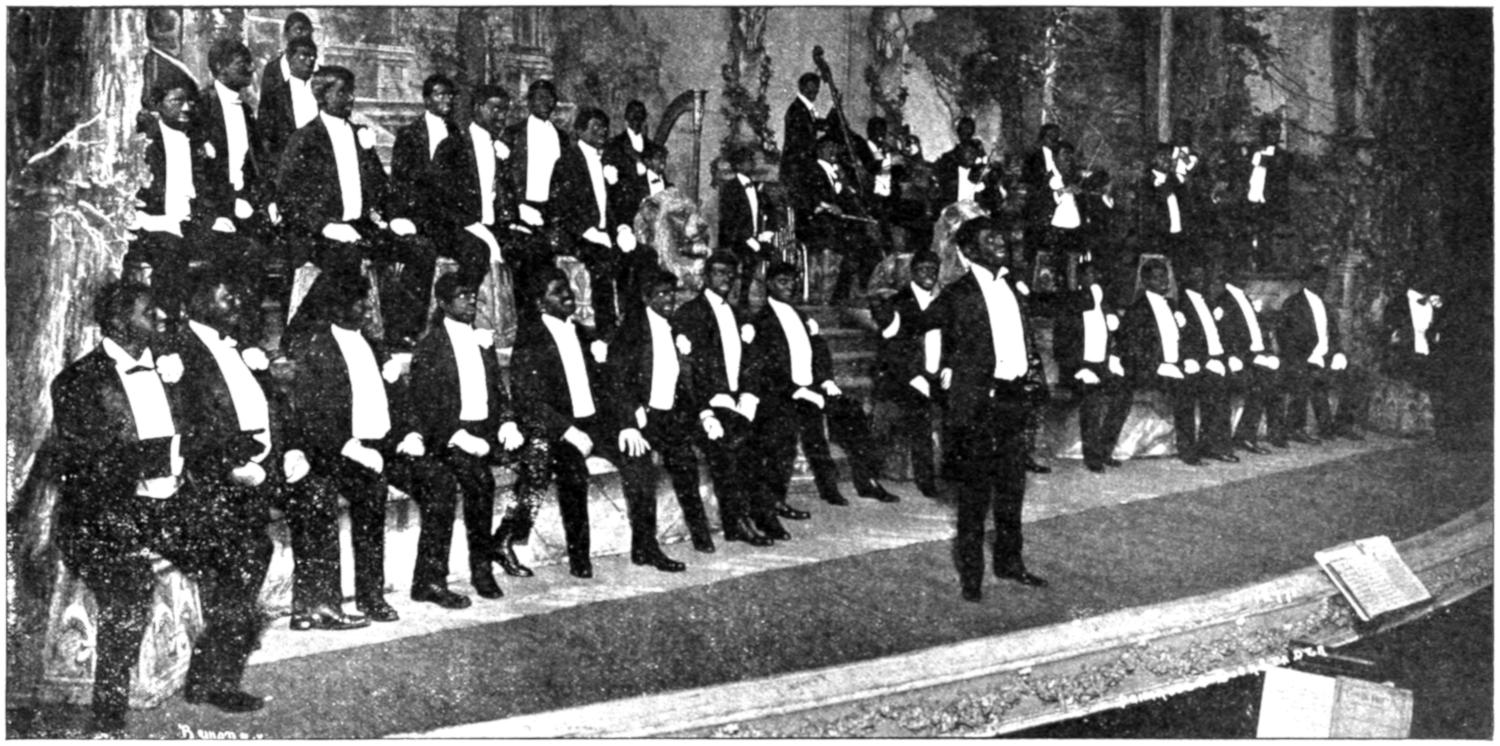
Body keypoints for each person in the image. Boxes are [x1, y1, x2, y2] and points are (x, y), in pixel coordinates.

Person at [49, 282, 270, 733]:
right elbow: (91, 465)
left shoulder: (173, 368)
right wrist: (170, 453)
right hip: (105, 513)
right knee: (128, 584)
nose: (162, 318)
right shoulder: (77, 381)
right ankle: (108, 717)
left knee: (249, 551)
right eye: (149, 312)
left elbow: (197, 435)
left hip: (167, 507)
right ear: (117, 322)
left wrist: (230, 451)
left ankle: (213, 678)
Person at [282, 268, 432, 625]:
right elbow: (313, 414)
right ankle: (371, 594)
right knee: (371, 490)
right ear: (336, 306)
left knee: (436, 480)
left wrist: (410, 433)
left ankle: (429, 581)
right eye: (358, 303)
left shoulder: (374, 344)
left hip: (386, 446)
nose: (366, 309)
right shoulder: (316, 347)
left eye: (366, 302)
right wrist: (350, 448)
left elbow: (399, 398)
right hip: (341, 450)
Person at [403, 274, 548, 605]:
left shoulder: (482, 340)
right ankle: (481, 569)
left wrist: (508, 422)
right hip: (452, 436)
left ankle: (506, 536)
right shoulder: (431, 346)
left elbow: (498, 388)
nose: (470, 300)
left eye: (472, 294)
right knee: (480, 481)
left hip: (488, 430)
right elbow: (426, 404)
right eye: (461, 295)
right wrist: (458, 435)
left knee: (540, 453)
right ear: (443, 303)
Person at [277, 65, 437, 348]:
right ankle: (299, 337)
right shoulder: (304, 139)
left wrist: (393, 217)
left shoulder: (359, 135)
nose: (350, 98)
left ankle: (401, 332)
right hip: (318, 233)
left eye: (351, 92)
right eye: (342, 93)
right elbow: (289, 198)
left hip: (361, 227)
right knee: (346, 257)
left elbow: (380, 186)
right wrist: (325, 226)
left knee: (420, 248)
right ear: (322, 96)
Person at [932, 216, 1049, 601]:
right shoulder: (957, 293)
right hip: (981, 406)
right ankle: (972, 578)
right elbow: (935, 335)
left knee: (1012, 491)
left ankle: (1010, 563)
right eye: (990, 239)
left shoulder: (1013, 286)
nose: (1000, 242)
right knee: (974, 498)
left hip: (1015, 400)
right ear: (969, 250)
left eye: (1000, 237)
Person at [509, 268, 621, 579]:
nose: (567, 295)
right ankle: (579, 557)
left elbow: (604, 385)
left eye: (568, 288)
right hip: (559, 428)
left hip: (592, 422)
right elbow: (528, 399)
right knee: (573, 472)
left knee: (635, 453)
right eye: (557, 291)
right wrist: (569, 431)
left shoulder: (583, 333)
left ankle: (646, 545)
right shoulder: (531, 339)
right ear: (540, 303)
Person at [608, 270, 719, 570]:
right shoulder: (631, 331)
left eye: (672, 293)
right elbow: (616, 380)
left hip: (669, 415)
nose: (669, 299)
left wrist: (703, 412)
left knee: (685, 463)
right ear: (646, 298)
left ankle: (699, 531)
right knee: (641, 473)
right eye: (661, 294)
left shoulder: (675, 328)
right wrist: (629, 421)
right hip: (640, 418)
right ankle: (646, 546)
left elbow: (686, 380)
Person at [671, 252, 775, 547]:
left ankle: (763, 515)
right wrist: (707, 410)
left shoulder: (739, 314)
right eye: (719, 272)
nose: (726, 279)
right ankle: (736, 521)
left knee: (770, 430)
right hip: (702, 405)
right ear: (706, 276)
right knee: (731, 444)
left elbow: (752, 361)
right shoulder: (689, 313)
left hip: (737, 399)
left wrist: (749, 395)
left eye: (730, 274)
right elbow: (688, 373)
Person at [125, 72, 209, 320]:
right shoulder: (145, 140)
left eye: (190, 101)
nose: (187, 108)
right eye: (177, 101)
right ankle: (168, 325)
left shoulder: (196, 139)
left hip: (189, 222)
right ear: (158, 104)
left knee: (240, 248)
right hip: (151, 224)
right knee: (171, 251)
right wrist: (152, 220)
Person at [551, 106, 635, 334]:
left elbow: (621, 202)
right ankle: (605, 329)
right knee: (603, 261)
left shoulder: (610, 158)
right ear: (580, 131)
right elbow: (562, 207)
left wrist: (623, 228)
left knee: (639, 257)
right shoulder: (567, 162)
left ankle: (630, 326)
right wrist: (590, 233)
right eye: (595, 127)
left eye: (605, 127)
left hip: (607, 232)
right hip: (577, 234)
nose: (602, 131)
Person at [870, 249, 944, 495]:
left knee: (925, 429)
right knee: (885, 429)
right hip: (902, 376)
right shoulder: (898, 301)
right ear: (912, 273)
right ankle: (869, 478)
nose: (929, 275)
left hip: (931, 375)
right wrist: (914, 376)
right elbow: (891, 346)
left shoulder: (941, 302)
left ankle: (928, 482)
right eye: (923, 270)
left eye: (933, 271)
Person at [432, 84, 519, 288]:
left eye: (505, 110)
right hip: (459, 227)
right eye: (495, 109)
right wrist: (486, 236)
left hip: (492, 225)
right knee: (477, 252)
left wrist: (512, 220)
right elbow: (445, 201)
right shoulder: (452, 146)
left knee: (530, 248)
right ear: (478, 108)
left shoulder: (499, 147)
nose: (501, 116)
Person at [1120, 259, 1205, 465]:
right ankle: (1188, 450)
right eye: (1157, 278)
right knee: (1185, 389)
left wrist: (1188, 358)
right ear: (1146, 281)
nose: (1164, 282)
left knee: (1208, 379)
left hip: (1175, 365)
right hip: (1151, 369)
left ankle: (1208, 444)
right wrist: (1159, 366)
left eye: (1165, 277)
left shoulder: (1173, 305)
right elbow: (1133, 347)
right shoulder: (1138, 310)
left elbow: (1184, 338)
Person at [1054, 261, 1131, 473]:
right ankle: (1092, 457)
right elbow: (1061, 342)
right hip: (1079, 367)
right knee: (1092, 400)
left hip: (1102, 364)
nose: (1093, 277)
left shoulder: (1105, 303)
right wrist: (1079, 368)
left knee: (1123, 395)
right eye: (1088, 274)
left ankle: (1105, 450)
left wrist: (1114, 358)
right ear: (1080, 278)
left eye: (1096, 274)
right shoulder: (1071, 304)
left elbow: (1118, 336)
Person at [390, 74, 467, 277]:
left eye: (450, 95)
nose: (447, 100)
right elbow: (400, 179)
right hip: (415, 215)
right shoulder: (408, 134)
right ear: (426, 100)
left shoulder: (456, 134)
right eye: (440, 95)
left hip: (445, 217)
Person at [1277, 263, 1364, 442]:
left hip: (1325, 357)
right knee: (1304, 378)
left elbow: (1333, 334)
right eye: (1318, 279)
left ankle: (1342, 424)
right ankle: (1296, 428)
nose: (1322, 283)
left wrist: (1338, 353)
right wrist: (1305, 358)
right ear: (1307, 281)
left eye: (1324, 280)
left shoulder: (1326, 305)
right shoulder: (1293, 304)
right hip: (1302, 358)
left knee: (1355, 376)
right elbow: (1285, 337)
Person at [199, 39, 272, 248]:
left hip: (245, 202)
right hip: (214, 206)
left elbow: (256, 164)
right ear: (220, 67)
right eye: (242, 63)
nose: (251, 68)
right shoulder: (202, 105)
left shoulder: (245, 110)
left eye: (250, 62)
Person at [1214, 265, 1286, 452]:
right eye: (1241, 273)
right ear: (1230, 275)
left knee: (1276, 378)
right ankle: (1246, 436)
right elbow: (1224, 334)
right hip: (1239, 358)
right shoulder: (1225, 300)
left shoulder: (1244, 297)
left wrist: (1264, 353)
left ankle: (1273, 432)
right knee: (1260, 383)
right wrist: (1242, 356)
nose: (1245, 277)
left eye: (1246, 273)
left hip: (1253, 355)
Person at [797, 136, 875, 304]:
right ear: (820, 150)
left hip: (836, 223)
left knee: (865, 244)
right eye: (829, 147)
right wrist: (827, 205)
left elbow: (847, 199)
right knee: (847, 243)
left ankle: (842, 294)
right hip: (816, 223)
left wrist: (844, 184)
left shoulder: (838, 172)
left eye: (835, 147)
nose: (834, 151)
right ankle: (832, 295)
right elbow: (807, 196)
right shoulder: (811, 169)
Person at [1177, 262, 1240, 463]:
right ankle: (1204, 448)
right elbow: (1183, 339)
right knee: (1214, 391)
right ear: (1186, 277)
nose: (1200, 279)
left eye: (1202, 275)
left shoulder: (1208, 301)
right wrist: (1203, 360)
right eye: (1195, 274)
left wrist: (1227, 356)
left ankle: (1214, 445)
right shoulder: (1181, 303)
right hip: (1198, 361)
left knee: (1223, 392)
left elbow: (1221, 333)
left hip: (1217, 358)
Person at [718, 147, 778, 306]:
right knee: (745, 261)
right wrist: (751, 241)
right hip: (736, 239)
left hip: (754, 238)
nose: (752, 164)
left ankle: (764, 302)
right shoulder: (731, 188)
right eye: (748, 161)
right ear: (738, 165)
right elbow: (731, 221)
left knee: (773, 258)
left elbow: (768, 211)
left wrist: (767, 233)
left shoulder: (756, 187)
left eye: (752, 160)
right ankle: (736, 300)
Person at [257, 35, 319, 174]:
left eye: (312, 57)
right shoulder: (275, 95)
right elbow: (265, 135)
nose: (309, 61)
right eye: (303, 56)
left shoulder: (320, 94)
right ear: (290, 58)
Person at [781, 72, 826, 188]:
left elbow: (818, 124)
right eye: (810, 87)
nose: (814, 90)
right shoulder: (798, 110)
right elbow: (803, 141)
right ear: (802, 88)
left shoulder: (804, 108)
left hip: (800, 167)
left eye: (816, 87)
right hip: (797, 169)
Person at [258, 11, 314, 103]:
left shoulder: (316, 69)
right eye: (298, 30)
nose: (304, 35)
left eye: (308, 31)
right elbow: (266, 106)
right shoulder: (273, 69)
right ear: (286, 34)